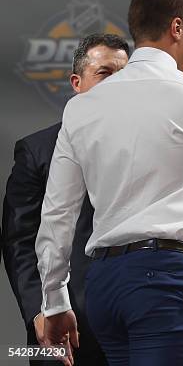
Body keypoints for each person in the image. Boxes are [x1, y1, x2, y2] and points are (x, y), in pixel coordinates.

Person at [35, 0, 183, 366]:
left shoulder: (80, 110)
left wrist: (55, 299)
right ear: (177, 28)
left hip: (104, 286)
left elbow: (57, 213)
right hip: (165, 282)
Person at [2, 33, 129, 366]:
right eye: (104, 73)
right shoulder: (37, 151)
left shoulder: (152, 146)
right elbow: (19, 242)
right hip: (62, 325)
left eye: (124, 76)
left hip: (136, 324)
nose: (116, 84)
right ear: (77, 82)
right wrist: (38, 311)